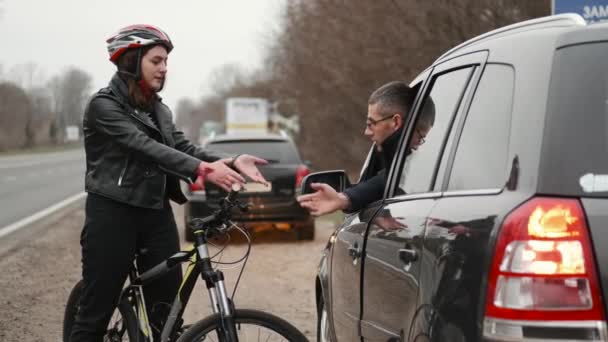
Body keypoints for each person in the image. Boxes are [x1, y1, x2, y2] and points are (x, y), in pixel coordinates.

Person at [70, 24, 268, 341]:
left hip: (155, 213)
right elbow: (146, 148)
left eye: (165, 62)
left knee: (168, 318)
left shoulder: (159, 109)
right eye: (156, 61)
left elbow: (181, 147)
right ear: (131, 62)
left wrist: (230, 160)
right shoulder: (103, 106)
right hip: (112, 214)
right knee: (94, 316)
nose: (164, 68)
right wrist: (203, 170)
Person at [298, 81, 425, 216]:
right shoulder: (391, 155)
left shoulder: (418, 162)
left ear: (396, 122)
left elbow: (393, 177)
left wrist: (344, 198)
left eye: (371, 124)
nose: (367, 132)